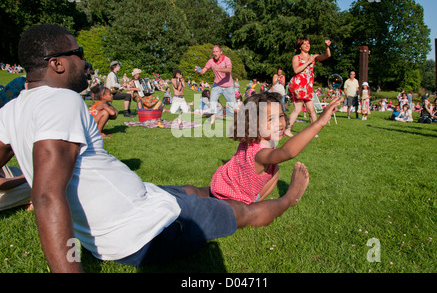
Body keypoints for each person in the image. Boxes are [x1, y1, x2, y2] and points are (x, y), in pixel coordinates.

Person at [0, 24, 313, 272]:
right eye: (77, 52)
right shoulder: (62, 99)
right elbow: (46, 194)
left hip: (138, 207)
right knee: (240, 212)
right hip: (146, 229)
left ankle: (220, 190)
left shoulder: (12, 110)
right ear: (56, 63)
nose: (84, 61)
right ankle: (289, 198)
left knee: (192, 190)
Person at [209, 92, 343, 204]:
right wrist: (319, 123)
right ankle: (288, 198)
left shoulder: (252, 139)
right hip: (232, 201)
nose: (279, 123)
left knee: (275, 169)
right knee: (273, 207)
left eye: (280, 116)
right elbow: (287, 151)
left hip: (226, 188)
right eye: (271, 119)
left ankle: (254, 201)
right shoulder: (260, 153)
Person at [284, 38, 332, 137]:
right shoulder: (296, 57)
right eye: (304, 44)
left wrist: (327, 47)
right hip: (298, 85)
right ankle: (287, 130)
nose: (307, 45)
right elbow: (296, 70)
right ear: (300, 46)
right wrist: (308, 62)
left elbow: (327, 55)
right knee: (297, 108)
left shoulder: (313, 57)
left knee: (311, 109)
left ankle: (314, 131)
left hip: (308, 86)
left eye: (308, 43)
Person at [195, 45, 236, 124]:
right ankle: (212, 120)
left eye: (216, 51)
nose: (215, 53)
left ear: (221, 52)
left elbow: (229, 70)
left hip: (228, 86)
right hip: (217, 85)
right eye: (213, 52)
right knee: (213, 103)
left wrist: (219, 69)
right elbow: (203, 71)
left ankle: (238, 119)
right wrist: (199, 71)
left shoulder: (227, 59)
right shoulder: (211, 61)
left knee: (232, 105)